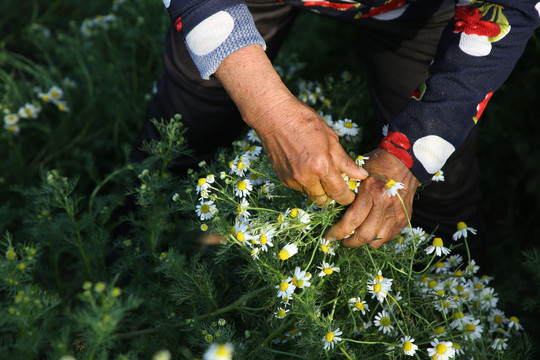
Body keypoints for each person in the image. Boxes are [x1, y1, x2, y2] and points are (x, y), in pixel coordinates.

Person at [133, 0, 540, 252]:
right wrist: (268, 109)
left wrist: (408, 157)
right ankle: (136, 251)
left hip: (417, 10)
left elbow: (510, 6)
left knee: (438, 188)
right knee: (186, 122)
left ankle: (450, 307)